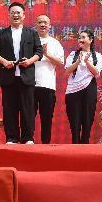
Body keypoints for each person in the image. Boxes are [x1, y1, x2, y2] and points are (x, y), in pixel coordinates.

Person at [0, 2, 43, 144]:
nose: (15, 15)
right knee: (9, 109)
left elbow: (39, 52)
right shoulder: (2, 34)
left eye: (18, 12)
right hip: (8, 77)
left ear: (24, 15)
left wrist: (29, 61)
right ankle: (11, 137)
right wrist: (4, 62)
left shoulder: (31, 33)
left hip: (26, 77)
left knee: (28, 109)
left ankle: (28, 138)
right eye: (13, 12)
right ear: (9, 15)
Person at [64, 30, 102, 144]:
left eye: (83, 37)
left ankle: (85, 144)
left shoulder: (97, 55)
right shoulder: (73, 54)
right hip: (73, 90)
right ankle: (75, 144)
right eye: (79, 38)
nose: (80, 40)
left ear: (90, 40)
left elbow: (96, 72)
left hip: (89, 87)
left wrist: (87, 62)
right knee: (74, 120)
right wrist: (78, 62)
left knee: (87, 118)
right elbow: (67, 71)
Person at [33, 14, 64, 144]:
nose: (42, 25)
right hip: (30, 85)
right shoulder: (29, 40)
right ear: (36, 25)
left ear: (49, 26)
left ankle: (45, 144)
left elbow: (60, 62)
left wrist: (46, 54)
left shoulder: (55, 43)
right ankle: (28, 142)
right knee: (28, 117)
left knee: (46, 118)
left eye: (45, 22)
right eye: (40, 22)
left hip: (48, 85)